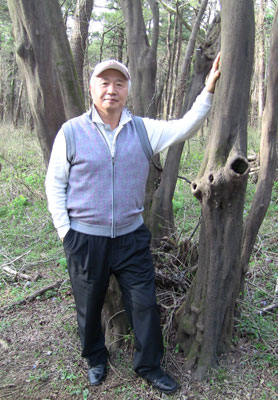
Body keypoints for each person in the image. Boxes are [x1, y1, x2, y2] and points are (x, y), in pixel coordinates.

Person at [45, 54, 220, 394]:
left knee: (144, 304)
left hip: (131, 238)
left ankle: (149, 365)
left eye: (119, 84)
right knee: (89, 305)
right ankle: (96, 359)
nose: (112, 90)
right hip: (84, 238)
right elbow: (54, 184)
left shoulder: (142, 129)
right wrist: (66, 233)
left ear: (127, 90)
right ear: (92, 88)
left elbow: (185, 126)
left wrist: (208, 88)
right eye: (104, 83)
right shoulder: (71, 132)